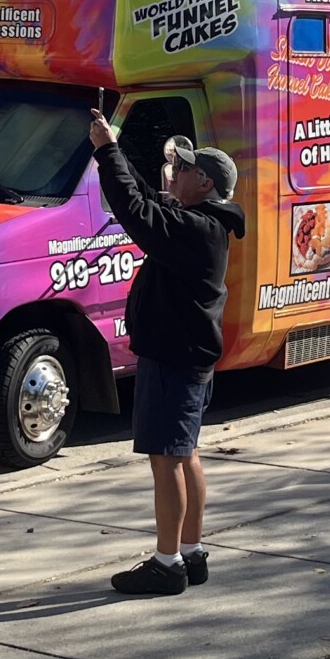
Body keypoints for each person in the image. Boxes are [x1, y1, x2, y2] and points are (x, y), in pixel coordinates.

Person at [88, 111, 247, 597]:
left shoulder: (195, 229)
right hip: (189, 357)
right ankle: (192, 552)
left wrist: (105, 152)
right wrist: (114, 149)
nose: (173, 174)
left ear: (204, 181)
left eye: (183, 170)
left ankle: (167, 563)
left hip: (174, 358)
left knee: (166, 460)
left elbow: (135, 213)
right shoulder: (202, 223)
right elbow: (143, 198)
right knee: (186, 454)